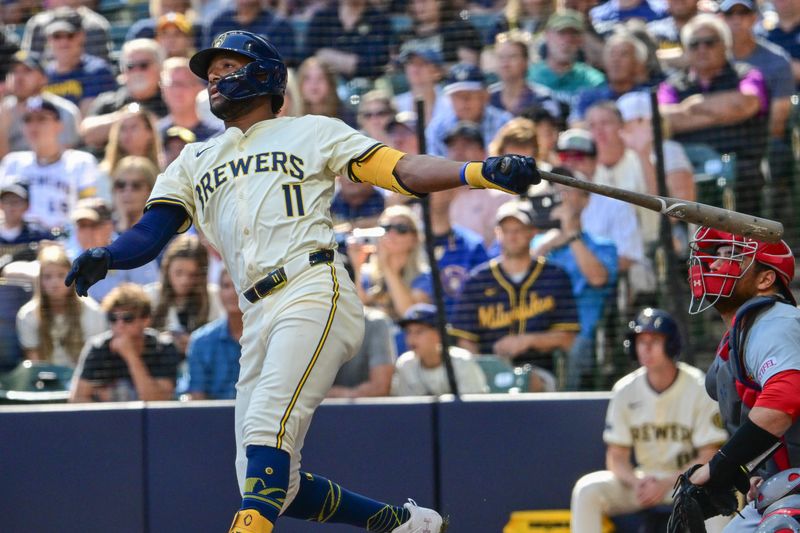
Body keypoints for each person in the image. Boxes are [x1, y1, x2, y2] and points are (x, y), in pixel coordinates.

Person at [63, 30, 540, 533]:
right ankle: (400, 524)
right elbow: (151, 231)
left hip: (312, 287)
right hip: (255, 313)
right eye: (212, 73)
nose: (216, 79)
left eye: (229, 67)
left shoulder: (311, 130)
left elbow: (402, 171)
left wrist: (479, 172)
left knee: (269, 423)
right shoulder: (192, 159)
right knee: (263, 477)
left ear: (266, 76)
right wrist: (107, 254)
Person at [676, 226, 800, 530]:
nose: (715, 264)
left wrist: (718, 466)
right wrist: (754, 472)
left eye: (731, 255)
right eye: (715, 256)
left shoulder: (778, 322)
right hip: (783, 486)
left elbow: (786, 399)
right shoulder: (742, 335)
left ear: (765, 279)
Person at [570, 308, 729, 533]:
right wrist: (638, 482)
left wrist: (667, 482)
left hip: (689, 481)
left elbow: (708, 455)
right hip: (644, 482)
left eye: (654, 340)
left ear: (671, 345)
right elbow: (616, 457)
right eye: (640, 341)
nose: (646, 348)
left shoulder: (698, 386)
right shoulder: (625, 389)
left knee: (719, 495)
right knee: (587, 489)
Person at [451, 200, 579, 391]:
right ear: (497, 233)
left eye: (518, 229)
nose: (512, 236)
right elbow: (465, 340)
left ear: (532, 232)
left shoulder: (554, 276)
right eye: (506, 230)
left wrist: (527, 340)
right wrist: (481, 369)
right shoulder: (477, 280)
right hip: (488, 371)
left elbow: (567, 338)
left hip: (539, 370)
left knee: (528, 382)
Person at [658, 13, 770, 217]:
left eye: (710, 42)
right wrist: (721, 112)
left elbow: (746, 103)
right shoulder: (672, 86)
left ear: (725, 46)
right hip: (689, 165)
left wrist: (691, 107)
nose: (702, 49)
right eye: (695, 44)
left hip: (741, 165)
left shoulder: (746, 74)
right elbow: (664, 121)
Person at [530, 172, 618, 391]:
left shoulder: (602, 246)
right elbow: (520, 277)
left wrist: (570, 235)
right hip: (537, 328)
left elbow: (598, 278)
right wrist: (547, 244)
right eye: (557, 191)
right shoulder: (538, 243)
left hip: (580, 336)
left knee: (574, 350)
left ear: (585, 200)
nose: (562, 196)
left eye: (568, 190)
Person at [69, 282, 181, 402]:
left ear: (146, 320)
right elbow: (77, 399)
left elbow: (159, 402)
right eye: (113, 318)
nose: (119, 325)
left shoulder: (163, 348)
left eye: (128, 318)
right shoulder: (98, 348)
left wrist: (130, 356)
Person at [0, 97, 99, 231]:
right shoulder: (12, 163)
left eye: (42, 119)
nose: (34, 126)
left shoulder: (81, 162)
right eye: (28, 120)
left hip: (65, 243)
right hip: (19, 243)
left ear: (59, 125)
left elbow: (90, 208)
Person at [16, 244, 107, 368]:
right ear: (40, 281)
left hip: (83, 379)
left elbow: (95, 359)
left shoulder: (92, 311)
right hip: (45, 381)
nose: (55, 282)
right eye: (47, 277)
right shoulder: (27, 315)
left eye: (61, 275)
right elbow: (34, 362)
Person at [81, 39, 168, 151]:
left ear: (160, 68)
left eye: (143, 65)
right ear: (123, 70)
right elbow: (88, 133)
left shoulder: (171, 100)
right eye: (130, 66)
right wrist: (128, 118)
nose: (137, 71)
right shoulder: (107, 101)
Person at [69, 197, 160, 305]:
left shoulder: (132, 252)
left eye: (93, 226)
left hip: (126, 317)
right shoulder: (69, 259)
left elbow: (150, 295)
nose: (86, 232)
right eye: (82, 226)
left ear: (109, 227)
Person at [146, 234, 223, 355]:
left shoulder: (214, 297)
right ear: (167, 269)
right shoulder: (150, 296)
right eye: (178, 273)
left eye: (193, 275)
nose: (184, 280)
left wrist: (194, 343)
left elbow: (221, 338)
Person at [391, 303, 488, 396]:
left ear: (439, 334)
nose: (411, 338)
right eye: (408, 332)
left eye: (419, 331)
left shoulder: (462, 361)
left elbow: (474, 408)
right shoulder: (405, 365)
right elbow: (406, 410)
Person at [0, 49, 81, 158]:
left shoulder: (63, 111)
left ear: (43, 78)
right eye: (14, 71)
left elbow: (63, 161)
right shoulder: (3, 110)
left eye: (27, 71)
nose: (18, 77)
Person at [426, 63, 514, 157]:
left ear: (484, 96)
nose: (464, 101)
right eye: (457, 96)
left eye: (470, 95)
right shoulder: (438, 127)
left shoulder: (505, 125)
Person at [42, 8, 117, 116]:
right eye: (57, 36)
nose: (63, 42)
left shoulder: (98, 71)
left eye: (70, 35)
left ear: (82, 36)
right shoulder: (42, 74)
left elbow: (85, 118)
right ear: (48, 39)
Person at [527, 10, 606, 108]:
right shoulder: (529, 77)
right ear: (547, 35)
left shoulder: (593, 80)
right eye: (561, 33)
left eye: (574, 34)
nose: (567, 40)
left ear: (581, 40)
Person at [184, 268, 242, 400]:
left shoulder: (267, 336)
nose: (233, 293)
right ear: (219, 292)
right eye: (226, 286)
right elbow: (197, 397)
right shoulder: (200, 341)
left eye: (239, 285)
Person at [302, 0, 390, 79]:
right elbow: (306, 59)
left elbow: (376, 64)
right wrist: (354, 62)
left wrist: (328, 56)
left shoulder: (379, 20)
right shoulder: (322, 18)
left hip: (368, 88)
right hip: (327, 88)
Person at [157, 56, 223, 143]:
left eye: (184, 84)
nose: (178, 90)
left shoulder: (218, 137)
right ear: (162, 89)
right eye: (172, 84)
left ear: (199, 88)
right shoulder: (154, 136)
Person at [0, 181, 57, 261]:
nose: (11, 207)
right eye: (7, 201)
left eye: (16, 202)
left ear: (27, 206)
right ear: (1, 205)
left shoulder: (39, 234)